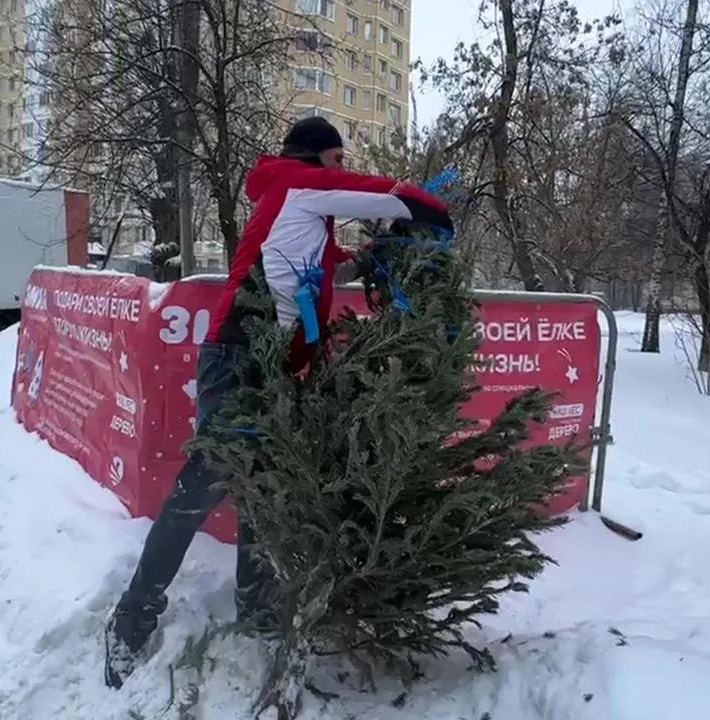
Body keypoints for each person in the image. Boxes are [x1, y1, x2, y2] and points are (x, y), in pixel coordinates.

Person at [104, 116, 454, 689]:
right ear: (316, 158)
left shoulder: (298, 205)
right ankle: (131, 619)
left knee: (265, 485)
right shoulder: (298, 182)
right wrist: (430, 209)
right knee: (203, 486)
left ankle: (258, 605)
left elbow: (317, 265)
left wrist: (361, 263)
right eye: (337, 159)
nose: (342, 170)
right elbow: (383, 194)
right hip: (241, 355)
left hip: (272, 361)